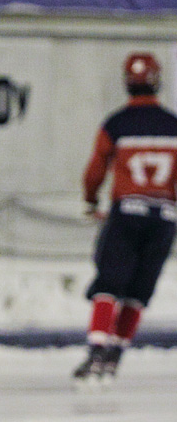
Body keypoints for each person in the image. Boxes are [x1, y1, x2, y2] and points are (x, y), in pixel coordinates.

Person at [73, 52, 177, 384]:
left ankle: (97, 348)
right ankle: (117, 351)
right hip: (164, 214)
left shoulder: (117, 124)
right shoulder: (172, 125)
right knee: (140, 288)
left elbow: (94, 172)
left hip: (127, 211)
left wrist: (91, 199)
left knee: (109, 283)